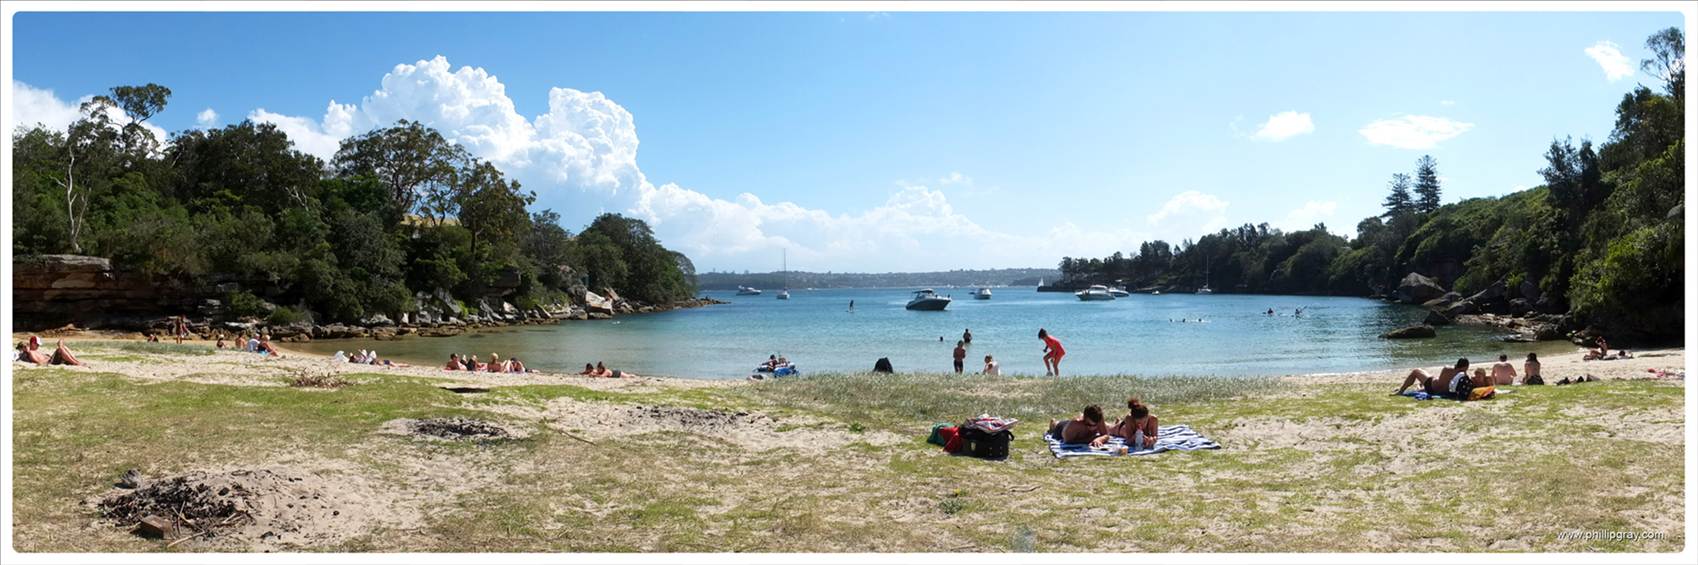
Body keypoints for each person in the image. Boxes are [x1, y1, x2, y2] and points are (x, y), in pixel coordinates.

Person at [1395, 358, 1472, 397]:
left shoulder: (1447, 369)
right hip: (1442, 392)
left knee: (1416, 371)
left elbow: (1440, 382)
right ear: (1466, 367)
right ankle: (1420, 387)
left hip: (1432, 387)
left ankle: (1401, 391)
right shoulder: (1464, 377)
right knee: (1424, 385)